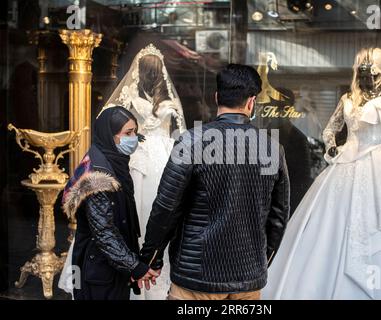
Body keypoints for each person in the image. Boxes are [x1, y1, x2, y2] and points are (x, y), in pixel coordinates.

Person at [262, 47, 381, 299]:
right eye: (364, 74)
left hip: (379, 164)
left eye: (373, 74)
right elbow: (330, 130)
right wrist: (332, 146)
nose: (368, 79)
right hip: (345, 163)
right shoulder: (347, 99)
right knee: (330, 222)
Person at [139, 64, 290, 300]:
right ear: (252, 102)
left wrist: (150, 258)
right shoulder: (273, 148)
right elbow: (278, 217)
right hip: (247, 279)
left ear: (216, 97)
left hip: (196, 278)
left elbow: (166, 208)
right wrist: (261, 263)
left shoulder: (191, 142)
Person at [101, 43, 186, 300]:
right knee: (159, 208)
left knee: (133, 208)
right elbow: (179, 134)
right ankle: (153, 265)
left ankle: (133, 264)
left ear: (137, 71)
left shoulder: (129, 98)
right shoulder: (169, 103)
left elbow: (107, 120)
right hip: (162, 155)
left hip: (138, 154)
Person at [59, 106, 153, 300]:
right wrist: (135, 267)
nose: (134, 137)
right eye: (128, 133)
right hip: (99, 274)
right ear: (110, 135)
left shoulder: (113, 160)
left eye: (135, 131)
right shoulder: (98, 177)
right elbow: (104, 233)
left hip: (110, 268)